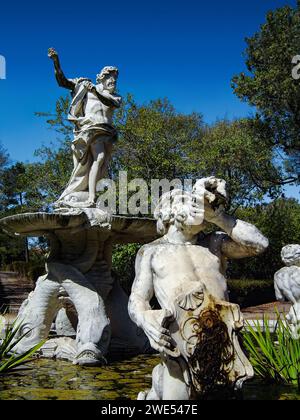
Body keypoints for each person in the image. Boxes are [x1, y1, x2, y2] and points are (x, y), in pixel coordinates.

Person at [128, 177, 269, 399]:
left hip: (225, 345)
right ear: (169, 212)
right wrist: (145, 318)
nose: (197, 203)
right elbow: (137, 299)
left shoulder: (215, 243)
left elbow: (259, 244)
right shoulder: (152, 252)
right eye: (187, 199)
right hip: (179, 350)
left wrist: (217, 216)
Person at [48, 48, 122, 207]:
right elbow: (62, 81)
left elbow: (110, 103)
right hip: (90, 130)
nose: (113, 83)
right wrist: (56, 61)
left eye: (115, 81)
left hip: (107, 132)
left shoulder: (115, 96)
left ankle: (89, 192)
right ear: (102, 78)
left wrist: (95, 90)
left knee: (102, 165)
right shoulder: (84, 86)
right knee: (99, 157)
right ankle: (91, 198)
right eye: (110, 79)